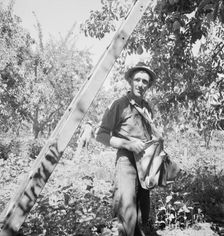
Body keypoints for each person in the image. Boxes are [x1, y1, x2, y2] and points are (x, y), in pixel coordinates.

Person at [96, 62, 158, 236]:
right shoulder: (120, 104)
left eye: (145, 81)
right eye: (137, 79)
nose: (140, 84)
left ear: (149, 85)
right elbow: (101, 135)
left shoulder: (147, 108)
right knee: (127, 210)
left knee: (142, 211)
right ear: (130, 80)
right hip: (126, 162)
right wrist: (127, 144)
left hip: (145, 163)